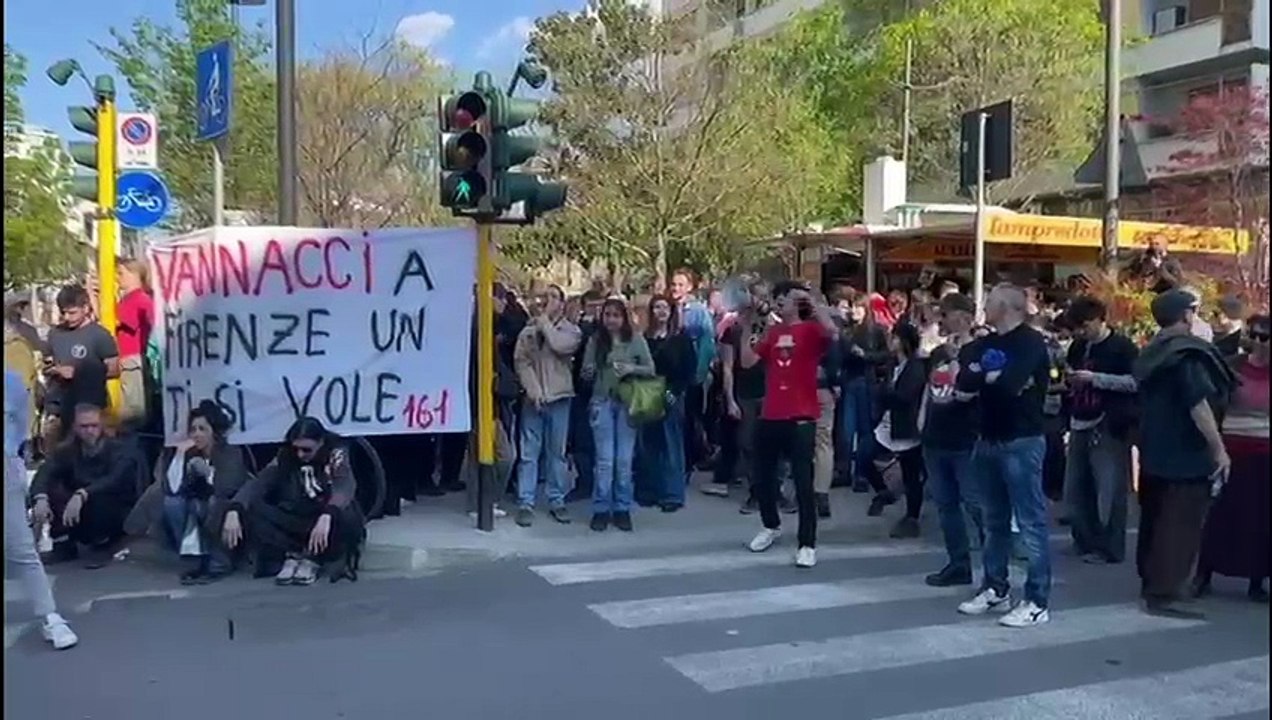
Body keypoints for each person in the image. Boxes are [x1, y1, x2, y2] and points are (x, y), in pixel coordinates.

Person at [955, 284, 1054, 628]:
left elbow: (1011, 383)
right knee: (993, 521)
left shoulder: (1030, 341)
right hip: (987, 438)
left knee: (1030, 523)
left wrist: (988, 377)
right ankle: (995, 587)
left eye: (990, 301)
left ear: (1007, 306)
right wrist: (986, 376)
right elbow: (963, 380)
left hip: (1021, 440)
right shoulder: (986, 343)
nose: (984, 306)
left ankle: (1037, 600)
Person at [1133, 289, 1236, 619]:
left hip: (1155, 448)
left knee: (1156, 518)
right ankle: (1168, 591)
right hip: (1186, 452)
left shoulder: (1153, 351)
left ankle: (1152, 581)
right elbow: (1198, 403)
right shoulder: (1186, 354)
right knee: (1180, 523)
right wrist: (1218, 449)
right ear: (1186, 315)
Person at [740, 281, 834, 568]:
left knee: (803, 482)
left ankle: (807, 543)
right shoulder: (774, 331)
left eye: (786, 298)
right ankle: (771, 524)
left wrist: (811, 302)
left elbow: (832, 332)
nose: (780, 302)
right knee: (763, 476)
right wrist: (747, 324)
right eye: (778, 298)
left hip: (801, 416)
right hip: (771, 413)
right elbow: (747, 361)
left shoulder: (810, 330)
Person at [222, 417, 365, 585]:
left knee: (347, 513)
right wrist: (235, 508)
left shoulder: (336, 452)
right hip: (297, 514)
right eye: (296, 449)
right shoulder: (285, 455)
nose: (300, 455)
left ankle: (315, 559)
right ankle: (293, 554)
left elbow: (344, 485)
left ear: (321, 442)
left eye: (306, 450)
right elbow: (261, 481)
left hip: (325, 514)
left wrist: (328, 513)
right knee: (255, 508)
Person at [124, 400, 250, 583]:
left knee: (213, 504)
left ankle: (219, 562)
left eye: (202, 429)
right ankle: (195, 559)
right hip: (196, 510)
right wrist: (180, 455)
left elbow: (227, 488)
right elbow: (172, 489)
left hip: (226, 510)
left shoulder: (229, 452)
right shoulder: (191, 453)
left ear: (214, 432)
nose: (196, 434)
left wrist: (208, 474)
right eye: (193, 429)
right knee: (172, 503)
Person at [1193, 314, 1269, 603]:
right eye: (1253, 335)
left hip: (1265, 451)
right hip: (1233, 448)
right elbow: (1212, 402)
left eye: (1264, 337)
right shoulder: (1233, 367)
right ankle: (1204, 572)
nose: (1257, 343)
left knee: (1261, 519)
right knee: (1220, 515)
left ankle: (1257, 580)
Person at [5, 369, 78, 649]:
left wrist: (10, 457)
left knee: (22, 549)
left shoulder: (11, 382)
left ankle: (51, 617)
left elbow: (20, 429)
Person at [1063, 296, 1139, 565]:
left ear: (1100, 320)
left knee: (1110, 487)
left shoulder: (1122, 347)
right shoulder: (1078, 346)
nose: (1081, 332)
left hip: (1108, 421)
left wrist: (1096, 379)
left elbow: (1135, 382)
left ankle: (1110, 546)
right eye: (1077, 327)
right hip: (1080, 417)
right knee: (1078, 484)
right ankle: (1085, 539)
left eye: (1085, 325)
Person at [919, 293, 983, 586]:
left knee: (975, 502)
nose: (941, 320)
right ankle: (958, 563)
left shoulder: (978, 350)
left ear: (964, 316)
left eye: (946, 314)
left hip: (965, 436)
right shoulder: (940, 351)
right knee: (946, 505)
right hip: (936, 434)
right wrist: (922, 418)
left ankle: (997, 559)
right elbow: (929, 386)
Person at [29, 404, 140, 568]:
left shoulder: (119, 449)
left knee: (102, 497)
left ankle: (105, 544)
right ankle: (63, 544)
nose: (89, 431)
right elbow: (45, 473)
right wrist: (40, 498)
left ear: (101, 425)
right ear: (75, 427)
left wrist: (83, 493)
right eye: (84, 426)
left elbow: (115, 480)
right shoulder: (67, 450)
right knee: (54, 488)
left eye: (94, 426)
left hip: (113, 508)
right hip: (76, 511)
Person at [580, 298, 656, 532]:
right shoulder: (596, 341)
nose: (611, 320)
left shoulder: (635, 339)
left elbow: (651, 369)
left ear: (623, 318)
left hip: (627, 402)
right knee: (604, 461)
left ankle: (622, 507)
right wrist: (589, 371)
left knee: (623, 460)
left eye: (616, 315)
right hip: (602, 401)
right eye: (608, 315)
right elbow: (585, 372)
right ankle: (601, 508)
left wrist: (631, 368)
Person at [512, 284, 582, 526]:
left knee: (557, 454)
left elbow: (559, 345)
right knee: (529, 453)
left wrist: (544, 323)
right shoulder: (528, 331)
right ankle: (525, 502)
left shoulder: (571, 330)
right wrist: (533, 390)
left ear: (562, 303)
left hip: (560, 398)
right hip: (535, 399)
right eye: (545, 297)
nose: (548, 301)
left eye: (554, 297)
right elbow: (521, 361)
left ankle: (556, 500)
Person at [867, 322, 927, 538]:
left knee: (912, 474)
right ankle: (884, 491)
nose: (891, 342)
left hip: (906, 425)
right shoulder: (893, 365)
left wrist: (884, 392)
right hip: (888, 422)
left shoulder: (915, 367)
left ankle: (912, 517)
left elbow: (905, 396)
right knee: (866, 456)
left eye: (894, 338)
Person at [637, 295, 695, 512]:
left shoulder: (681, 339)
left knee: (671, 443)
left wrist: (675, 391)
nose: (661, 311)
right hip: (648, 393)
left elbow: (689, 370)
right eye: (656, 307)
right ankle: (649, 490)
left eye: (665, 308)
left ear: (671, 312)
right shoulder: (645, 338)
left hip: (672, 392)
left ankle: (672, 494)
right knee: (649, 443)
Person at [42, 284, 119, 444]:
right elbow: (47, 362)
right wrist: (53, 370)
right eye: (64, 312)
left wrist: (78, 372)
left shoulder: (100, 335)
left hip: (91, 406)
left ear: (85, 308)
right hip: (60, 407)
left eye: (72, 312)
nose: (67, 317)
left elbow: (114, 369)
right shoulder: (55, 334)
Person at [840, 293, 891, 494]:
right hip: (849, 381)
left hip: (865, 381)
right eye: (853, 307)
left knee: (864, 429)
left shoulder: (875, 330)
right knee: (846, 429)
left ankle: (861, 473)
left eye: (858, 308)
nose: (854, 312)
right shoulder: (847, 331)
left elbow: (885, 355)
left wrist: (865, 355)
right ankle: (845, 470)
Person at [670, 268, 716, 472]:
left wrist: (700, 372)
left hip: (692, 371)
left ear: (689, 287)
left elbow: (707, 343)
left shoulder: (698, 311)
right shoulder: (668, 307)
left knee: (690, 417)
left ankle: (692, 458)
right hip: (672, 371)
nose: (676, 288)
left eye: (680, 285)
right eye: (674, 284)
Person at [115, 258, 154, 428]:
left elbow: (121, 320)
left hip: (132, 358)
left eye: (121, 273)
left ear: (134, 274)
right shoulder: (129, 299)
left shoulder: (138, 299)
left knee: (133, 410)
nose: (118, 277)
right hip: (127, 359)